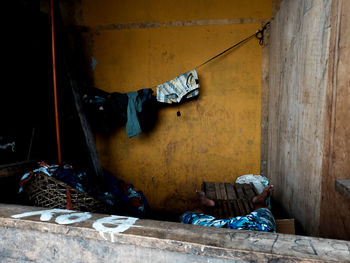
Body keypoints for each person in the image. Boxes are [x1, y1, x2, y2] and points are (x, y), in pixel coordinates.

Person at [180, 185, 276, 233]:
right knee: (263, 212)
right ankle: (261, 198)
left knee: (187, 217)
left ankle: (202, 202)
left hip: (220, 230)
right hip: (251, 227)